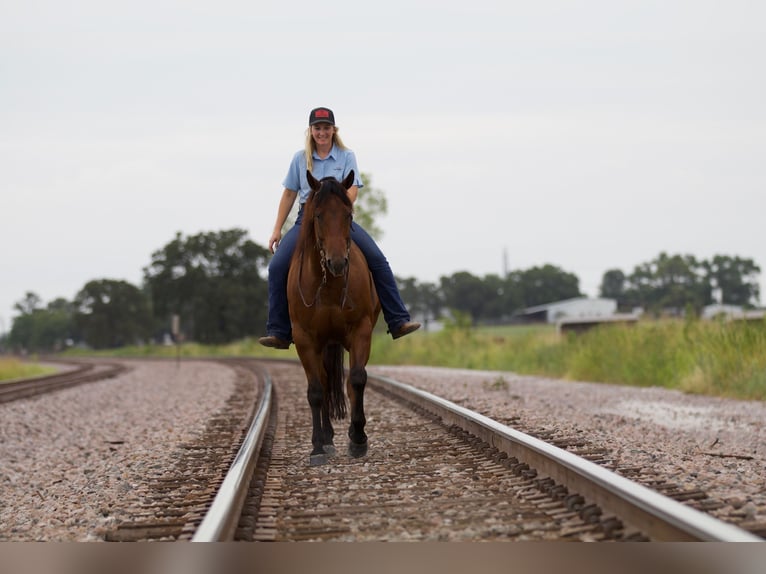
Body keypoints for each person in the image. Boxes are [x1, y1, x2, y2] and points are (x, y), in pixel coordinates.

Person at [258, 107, 421, 349]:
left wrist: (340, 210)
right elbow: (290, 193)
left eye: (326, 128)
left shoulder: (346, 156)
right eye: (317, 128)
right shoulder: (299, 158)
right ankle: (279, 330)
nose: (322, 132)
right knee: (278, 267)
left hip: (339, 218)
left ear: (334, 130)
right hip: (308, 219)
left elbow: (353, 188)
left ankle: (397, 319)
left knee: (377, 259)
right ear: (311, 130)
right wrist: (276, 229)